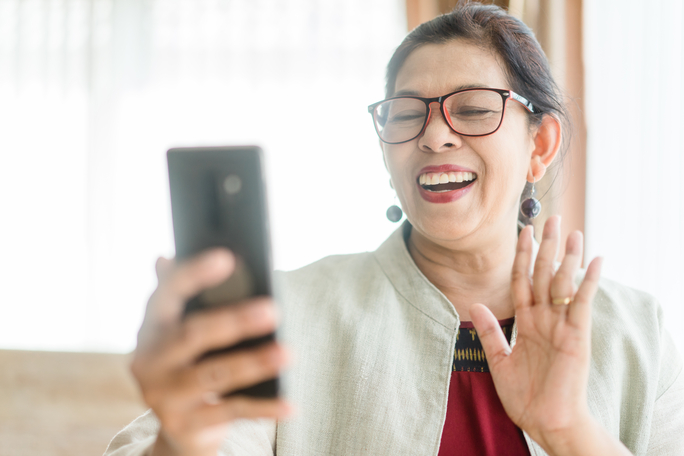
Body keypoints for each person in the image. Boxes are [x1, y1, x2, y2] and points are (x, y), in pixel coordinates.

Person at [105, 3, 684, 456]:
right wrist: (183, 438)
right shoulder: (286, 311)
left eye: (475, 108)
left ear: (541, 144)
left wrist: (571, 432)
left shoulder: (641, 334)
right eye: (406, 114)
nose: (434, 136)